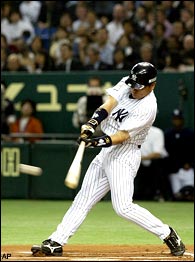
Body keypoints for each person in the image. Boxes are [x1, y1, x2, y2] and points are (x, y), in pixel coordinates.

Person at [31, 62, 185, 257]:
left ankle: (168, 234)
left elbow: (121, 136)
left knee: (122, 207)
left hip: (124, 153)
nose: (134, 89)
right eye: (133, 84)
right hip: (106, 150)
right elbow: (108, 105)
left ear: (152, 86)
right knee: (83, 199)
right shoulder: (128, 83)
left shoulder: (148, 107)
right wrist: (91, 123)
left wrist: (94, 142)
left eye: (139, 87)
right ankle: (56, 241)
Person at [164, 108, 194, 201]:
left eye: (179, 119)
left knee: (190, 192)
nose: (177, 121)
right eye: (175, 119)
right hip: (173, 169)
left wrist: (190, 163)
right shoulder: (168, 134)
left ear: (182, 120)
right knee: (177, 195)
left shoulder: (190, 133)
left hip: (187, 168)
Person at [134, 125, 168, 201]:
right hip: (139, 164)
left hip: (156, 163)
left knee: (157, 178)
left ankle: (160, 195)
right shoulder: (133, 131)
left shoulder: (157, 132)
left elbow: (157, 154)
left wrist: (139, 158)